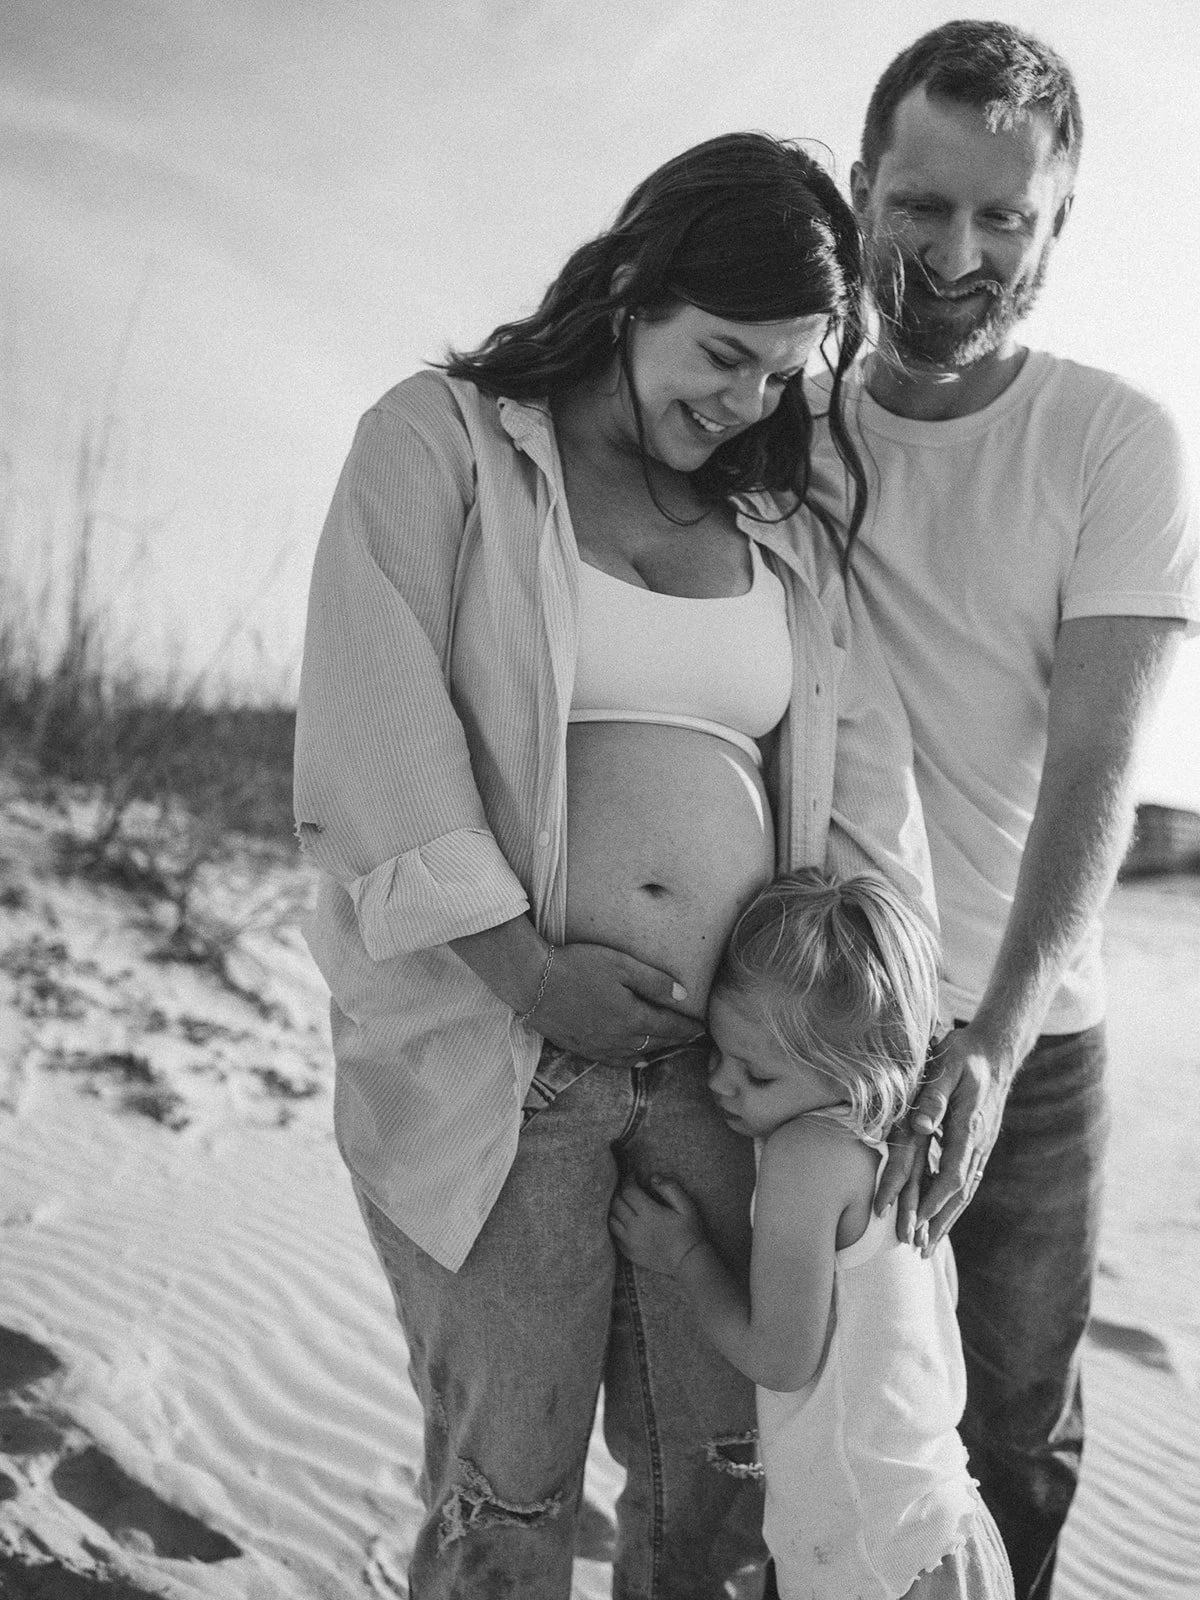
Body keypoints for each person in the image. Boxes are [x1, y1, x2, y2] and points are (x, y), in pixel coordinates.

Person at [293, 132, 935, 1599]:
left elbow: (860, 799)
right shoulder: (445, 438)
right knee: (506, 1504)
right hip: (501, 1065)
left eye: (782, 372)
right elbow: (371, 726)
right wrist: (530, 972)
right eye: (722, 352)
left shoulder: (780, 522)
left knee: (709, 1503)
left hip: (736, 1081)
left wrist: (902, 1038)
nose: (746, 401)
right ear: (636, 283)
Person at [805, 22, 1200, 1598]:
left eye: (1003, 219)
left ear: (1054, 231)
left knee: (1018, 1432)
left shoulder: (1116, 443)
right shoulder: (784, 423)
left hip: (1030, 1045)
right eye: (921, 205)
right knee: (800, 1424)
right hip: (814, 1026)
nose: (956, 253)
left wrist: (998, 1032)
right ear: (860, 193)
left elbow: (1100, 778)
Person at [610, 868, 1015, 1600]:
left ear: (856, 1075)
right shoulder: (899, 1149)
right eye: (718, 1054)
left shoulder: (806, 1158)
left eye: (758, 1076)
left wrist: (686, 1255)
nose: (720, 1085)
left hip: (873, 1554)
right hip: (937, 1527)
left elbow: (781, 1357)